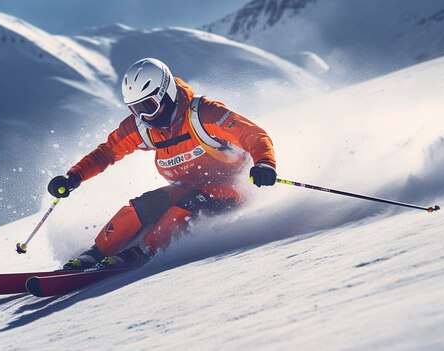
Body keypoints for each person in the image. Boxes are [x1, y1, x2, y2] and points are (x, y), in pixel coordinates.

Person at [48, 58, 277, 270]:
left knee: (191, 202)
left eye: (148, 106)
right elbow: (107, 152)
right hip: (186, 186)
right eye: (136, 110)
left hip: (231, 186)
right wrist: (74, 177)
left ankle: (144, 251)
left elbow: (254, 135)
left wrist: (264, 164)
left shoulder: (204, 115)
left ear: (166, 93)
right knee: (145, 204)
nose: (145, 116)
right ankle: (96, 252)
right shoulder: (142, 127)